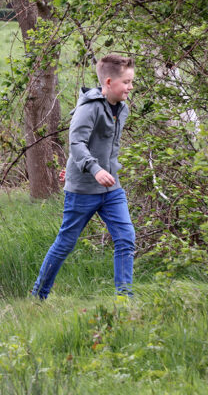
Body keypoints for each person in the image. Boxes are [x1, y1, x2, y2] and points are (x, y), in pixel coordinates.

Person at [30, 54, 136, 300]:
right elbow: (76, 143)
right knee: (65, 243)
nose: (130, 87)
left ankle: (125, 299)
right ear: (108, 82)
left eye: (132, 82)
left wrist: (104, 171)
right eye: (127, 82)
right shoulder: (88, 109)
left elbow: (107, 146)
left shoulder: (123, 109)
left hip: (111, 189)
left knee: (126, 238)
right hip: (83, 191)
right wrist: (93, 169)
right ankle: (38, 295)